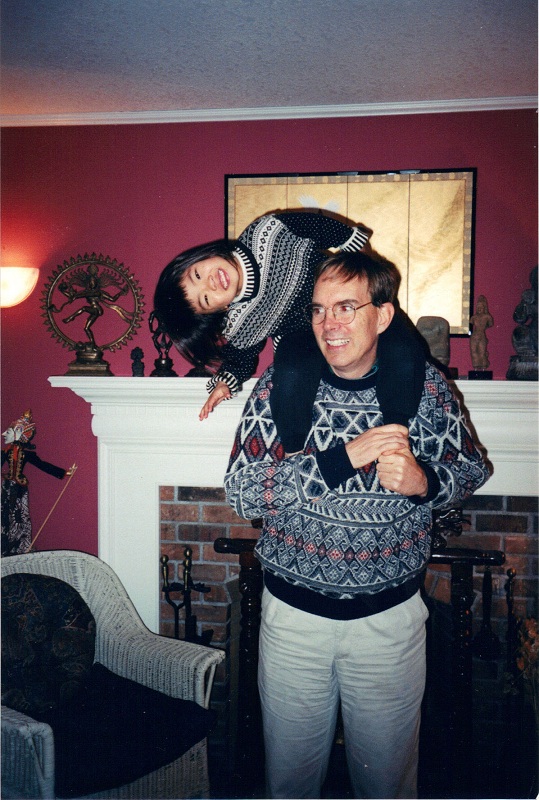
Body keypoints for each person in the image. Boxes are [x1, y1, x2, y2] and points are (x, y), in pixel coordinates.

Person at [224, 250, 489, 799]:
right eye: (319, 310)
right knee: (289, 784)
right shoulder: (279, 386)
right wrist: (343, 458)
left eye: (346, 307)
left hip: (388, 627)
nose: (329, 324)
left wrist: (425, 482)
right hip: (293, 624)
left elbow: (471, 468)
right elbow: (242, 491)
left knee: (387, 785)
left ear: (383, 315)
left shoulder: (426, 389)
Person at [154, 211, 426, 454]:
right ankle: (295, 451)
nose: (210, 284)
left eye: (197, 275)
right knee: (290, 373)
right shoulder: (239, 322)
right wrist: (225, 382)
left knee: (403, 349)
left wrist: (357, 257)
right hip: (300, 335)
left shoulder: (266, 231)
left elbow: (321, 227)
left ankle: (395, 431)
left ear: (201, 256)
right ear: (218, 310)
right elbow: (241, 358)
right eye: (205, 299)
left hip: (346, 307)